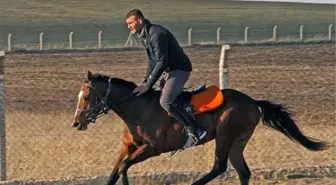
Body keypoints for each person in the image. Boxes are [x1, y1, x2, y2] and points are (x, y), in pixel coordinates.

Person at [126, 9, 206, 152]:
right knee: (156, 97)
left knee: (166, 101)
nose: (128, 27)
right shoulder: (145, 35)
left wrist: (149, 83)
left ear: (139, 20)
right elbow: (152, 61)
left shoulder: (156, 34)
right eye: (127, 24)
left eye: (130, 23)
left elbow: (161, 62)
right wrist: (145, 82)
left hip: (180, 69)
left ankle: (195, 130)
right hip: (169, 70)